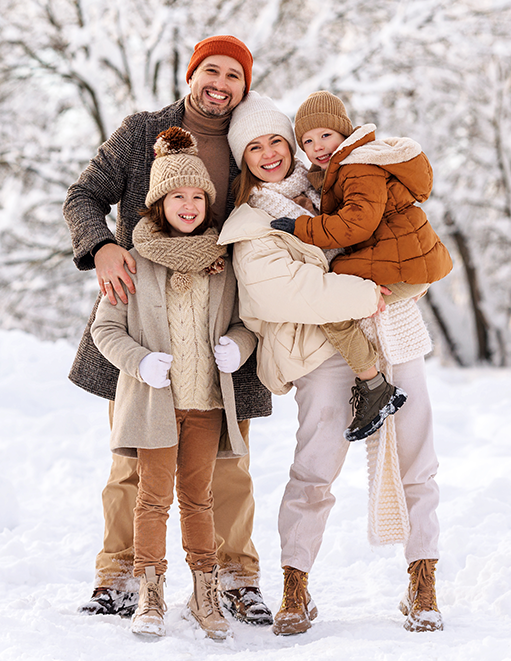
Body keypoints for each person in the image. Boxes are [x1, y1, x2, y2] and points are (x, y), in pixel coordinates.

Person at [63, 35, 274, 625]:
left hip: (222, 319)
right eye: (211, 70)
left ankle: (234, 577)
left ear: (245, 87)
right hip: (142, 316)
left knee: (229, 462)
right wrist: (101, 246)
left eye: (234, 75)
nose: (221, 83)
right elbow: (83, 195)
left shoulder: (246, 146)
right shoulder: (140, 132)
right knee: (134, 456)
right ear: (190, 76)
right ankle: (122, 576)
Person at [217, 92, 446, 635]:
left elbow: (392, 230)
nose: (270, 153)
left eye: (278, 140)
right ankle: (295, 585)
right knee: (314, 467)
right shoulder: (253, 221)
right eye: (255, 147)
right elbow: (286, 293)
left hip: (395, 331)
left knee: (419, 458)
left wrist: (403, 277)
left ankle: (424, 581)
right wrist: (370, 291)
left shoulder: (333, 181)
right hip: (323, 348)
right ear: (242, 158)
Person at [92, 128, 256, 639]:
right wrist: (139, 363)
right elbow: (105, 329)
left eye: (197, 197)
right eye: (177, 197)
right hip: (156, 407)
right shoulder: (133, 260)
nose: (188, 206)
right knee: (151, 499)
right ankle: (150, 592)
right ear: (159, 204)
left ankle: (205, 594)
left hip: (205, 402)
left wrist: (238, 346)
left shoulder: (222, 263)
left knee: (199, 498)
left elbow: (245, 323)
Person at [270, 90, 453, 442]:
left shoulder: (357, 166)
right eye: (307, 140)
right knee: (336, 291)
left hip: (402, 260)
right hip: (405, 257)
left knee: (331, 300)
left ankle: (374, 386)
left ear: (344, 133)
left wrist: (300, 227)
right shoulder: (345, 168)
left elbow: (357, 224)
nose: (318, 145)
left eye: (326, 135)